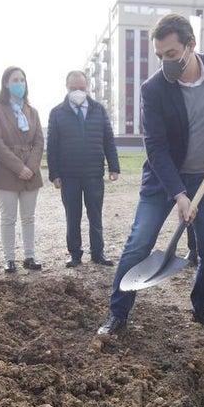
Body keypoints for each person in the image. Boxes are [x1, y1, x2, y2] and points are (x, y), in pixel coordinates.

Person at [97, 13, 204, 335]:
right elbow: (156, 147)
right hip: (164, 179)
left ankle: (201, 305)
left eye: (170, 55)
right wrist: (179, 195)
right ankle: (118, 313)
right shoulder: (153, 89)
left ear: (190, 45)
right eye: (159, 56)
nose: (165, 62)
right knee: (139, 243)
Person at [46, 70, 121, 268]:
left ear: (87, 88)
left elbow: (108, 140)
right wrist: (54, 174)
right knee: (73, 216)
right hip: (69, 175)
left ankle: (98, 253)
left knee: (95, 215)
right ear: (66, 88)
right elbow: (52, 146)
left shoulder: (99, 110)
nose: (78, 92)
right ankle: (75, 254)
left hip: (94, 174)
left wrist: (114, 166)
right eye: (73, 88)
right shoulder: (57, 113)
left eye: (81, 88)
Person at [0, 66, 45, 273]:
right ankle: (9, 259)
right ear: (6, 83)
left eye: (22, 80)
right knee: (8, 218)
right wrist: (18, 167)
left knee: (29, 217)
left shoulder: (33, 111)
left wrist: (30, 167)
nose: (20, 84)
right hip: (6, 171)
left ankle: (29, 256)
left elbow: (39, 141)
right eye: (15, 80)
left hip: (31, 171)